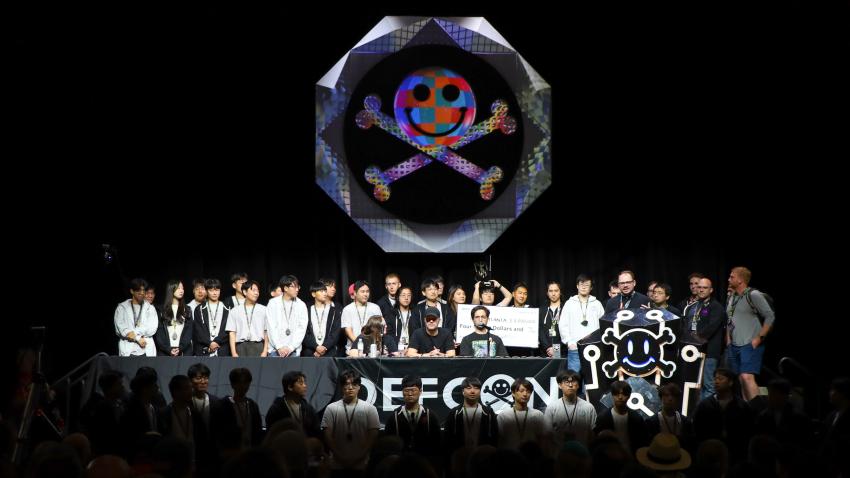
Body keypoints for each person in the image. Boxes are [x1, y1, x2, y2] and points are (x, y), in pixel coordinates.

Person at [726, 266, 775, 401]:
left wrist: (758, 338)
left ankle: (756, 408)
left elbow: (770, 316)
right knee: (741, 379)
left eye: (732, 277)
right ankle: (748, 409)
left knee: (747, 376)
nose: (729, 279)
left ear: (740, 280)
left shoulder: (753, 295)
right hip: (734, 344)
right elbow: (730, 319)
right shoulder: (732, 297)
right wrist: (728, 340)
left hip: (750, 343)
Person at [321, 370, 380, 473]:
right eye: (347, 384)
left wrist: (360, 456)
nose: (350, 387)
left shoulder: (370, 409)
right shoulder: (331, 408)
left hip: (361, 464)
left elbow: (373, 435)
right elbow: (327, 435)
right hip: (337, 464)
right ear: (341, 386)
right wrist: (339, 456)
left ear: (359, 387)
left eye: (354, 384)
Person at [692, 368, 754, 465]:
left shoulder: (742, 406)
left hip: (735, 456)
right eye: (715, 379)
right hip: (710, 455)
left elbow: (748, 431)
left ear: (730, 382)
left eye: (720, 379)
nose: (716, 382)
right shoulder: (704, 405)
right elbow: (697, 430)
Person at [682, 278, 726, 399]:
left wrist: (697, 338)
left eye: (705, 288)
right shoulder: (694, 306)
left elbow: (711, 327)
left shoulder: (716, 307)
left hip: (709, 351)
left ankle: (709, 408)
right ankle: (699, 408)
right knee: (696, 384)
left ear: (711, 290)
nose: (701, 290)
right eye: (699, 287)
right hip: (694, 350)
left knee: (708, 383)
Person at [384, 375, 442, 461]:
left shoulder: (430, 416)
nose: (410, 394)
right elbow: (388, 443)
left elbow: (437, 443)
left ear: (420, 391)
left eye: (413, 390)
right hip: (400, 462)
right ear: (402, 392)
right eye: (406, 390)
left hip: (425, 462)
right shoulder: (394, 417)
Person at [212, 367, 263, 456]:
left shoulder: (252, 406)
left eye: (246, 382)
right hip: (229, 453)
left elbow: (257, 430)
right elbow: (218, 432)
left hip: (250, 452)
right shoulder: (222, 406)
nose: (243, 386)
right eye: (239, 382)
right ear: (232, 384)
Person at [560, 274, 605, 373]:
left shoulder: (597, 304)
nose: (584, 287)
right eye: (581, 284)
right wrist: (569, 342)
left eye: (587, 285)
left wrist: (599, 343)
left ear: (591, 287)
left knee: (592, 378)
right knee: (574, 377)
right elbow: (563, 324)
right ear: (577, 286)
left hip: (593, 348)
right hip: (575, 348)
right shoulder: (569, 303)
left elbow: (602, 325)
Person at [443, 377, 499, 452]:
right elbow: (447, 439)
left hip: (483, 455)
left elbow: (495, 437)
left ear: (480, 391)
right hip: (460, 455)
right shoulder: (454, 413)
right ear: (463, 391)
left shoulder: (488, 413)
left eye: (476, 388)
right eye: (468, 388)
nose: (472, 391)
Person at [593, 380, 650, 454]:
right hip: (609, 457)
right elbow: (597, 442)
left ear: (629, 396)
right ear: (612, 395)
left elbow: (644, 441)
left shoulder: (637, 418)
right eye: (616, 393)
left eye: (624, 394)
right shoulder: (603, 418)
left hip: (632, 457)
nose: (620, 397)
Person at [545, 370, 597, 446]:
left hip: (582, 451)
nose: (570, 385)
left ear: (578, 385)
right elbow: (547, 435)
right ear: (559, 385)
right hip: (559, 452)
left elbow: (593, 434)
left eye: (573, 382)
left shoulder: (588, 407)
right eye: (566, 382)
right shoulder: (552, 408)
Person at [265, 371, 321, 437]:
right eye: (301, 383)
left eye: (304, 383)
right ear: (290, 387)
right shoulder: (276, 409)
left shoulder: (309, 409)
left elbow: (316, 431)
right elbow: (271, 434)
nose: (305, 386)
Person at [497, 378, 549, 449]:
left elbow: (543, 439)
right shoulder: (503, 416)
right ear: (513, 393)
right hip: (509, 454)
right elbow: (499, 440)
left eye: (528, 391)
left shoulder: (538, 415)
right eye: (521, 391)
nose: (525, 394)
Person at [187, 362, 219, 474]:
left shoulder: (216, 402)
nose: (203, 381)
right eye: (199, 378)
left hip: (212, 453)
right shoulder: (185, 402)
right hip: (191, 453)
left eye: (206, 378)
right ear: (190, 381)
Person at [266, 275, 309, 357]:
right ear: (285, 288)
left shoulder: (301, 305)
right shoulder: (273, 303)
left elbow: (302, 328)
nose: (297, 289)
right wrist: (279, 347)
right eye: (294, 287)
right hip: (275, 350)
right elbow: (271, 327)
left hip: (293, 350)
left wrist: (291, 347)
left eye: (298, 287)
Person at [645, 383, 695, 452]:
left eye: (673, 396)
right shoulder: (651, 422)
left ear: (677, 399)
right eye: (666, 395)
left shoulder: (686, 422)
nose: (670, 398)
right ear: (661, 398)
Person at [114, 278, 158, 357]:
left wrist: (134, 333)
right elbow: (121, 329)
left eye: (143, 290)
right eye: (138, 290)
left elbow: (152, 329)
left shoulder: (150, 308)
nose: (142, 293)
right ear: (132, 291)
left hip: (146, 349)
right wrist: (138, 338)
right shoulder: (122, 308)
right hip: (128, 350)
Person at [226, 280, 269, 357]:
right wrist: (234, 353)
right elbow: (232, 333)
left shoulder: (264, 310)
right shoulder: (235, 311)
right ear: (245, 292)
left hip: (258, 346)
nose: (256, 293)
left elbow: (266, 332)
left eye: (258, 290)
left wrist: (265, 351)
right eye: (253, 290)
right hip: (240, 346)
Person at [340, 280, 383, 353]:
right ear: (355, 293)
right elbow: (348, 331)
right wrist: (360, 345)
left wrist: (370, 346)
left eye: (367, 291)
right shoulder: (347, 309)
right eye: (362, 291)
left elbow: (379, 328)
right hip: (354, 350)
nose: (365, 294)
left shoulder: (375, 307)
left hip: (373, 350)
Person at [302, 281, 342, 357]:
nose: (324, 293)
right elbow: (304, 332)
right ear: (313, 294)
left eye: (325, 291)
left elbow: (336, 332)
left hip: (329, 351)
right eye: (321, 291)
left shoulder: (334, 311)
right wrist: (316, 347)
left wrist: (325, 347)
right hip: (311, 351)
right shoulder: (306, 311)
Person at [154, 279, 193, 356]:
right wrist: (168, 349)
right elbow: (159, 333)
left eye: (182, 288)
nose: (181, 290)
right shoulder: (161, 310)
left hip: (183, 351)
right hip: (165, 352)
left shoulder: (187, 309)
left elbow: (189, 332)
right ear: (171, 289)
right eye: (178, 288)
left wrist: (180, 348)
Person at [193, 278, 231, 356]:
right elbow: (198, 330)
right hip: (204, 349)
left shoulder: (227, 308)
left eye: (217, 290)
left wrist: (216, 341)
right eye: (211, 290)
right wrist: (209, 343)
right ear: (206, 291)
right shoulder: (199, 309)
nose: (214, 293)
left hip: (222, 349)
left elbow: (228, 329)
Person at [158, 375, 197, 443]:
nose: (191, 391)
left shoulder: (195, 415)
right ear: (176, 392)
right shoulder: (164, 415)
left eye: (191, 388)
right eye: (187, 388)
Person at [387, 285, 419, 353]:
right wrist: (394, 350)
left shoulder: (415, 314)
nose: (406, 298)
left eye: (409, 295)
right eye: (403, 295)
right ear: (397, 297)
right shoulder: (391, 314)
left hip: (412, 350)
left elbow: (418, 333)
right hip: (395, 350)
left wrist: (411, 349)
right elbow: (389, 334)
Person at [539, 280, 564, 358]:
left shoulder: (566, 309)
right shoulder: (542, 310)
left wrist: (556, 349)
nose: (553, 294)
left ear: (560, 292)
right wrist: (548, 348)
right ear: (547, 293)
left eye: (556, 291)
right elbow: (540, 330)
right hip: (545, 352)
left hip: (562, 352)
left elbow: (568, 331)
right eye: (551, 291)